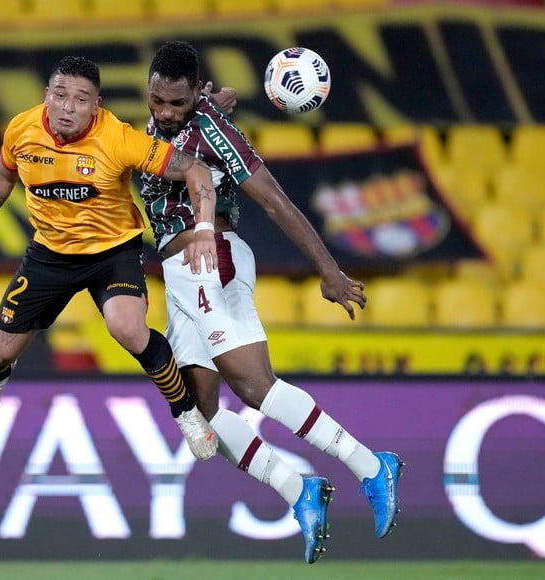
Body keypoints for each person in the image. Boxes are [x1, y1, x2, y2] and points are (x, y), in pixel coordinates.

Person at [140, 40, 403, 563]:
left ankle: (372, 466)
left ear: (194, 94)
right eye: (156, 101)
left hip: (209, 258)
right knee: (198, 409)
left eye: (176, 103)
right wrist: (213, 100)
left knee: (255, 386)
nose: (164, 113)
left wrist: (327, 269)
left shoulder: (217, 134)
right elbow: (201, 111)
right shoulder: (186, 115)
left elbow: (276, 202)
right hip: (177, 275)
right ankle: (297, 490)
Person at [0, 55, 222, 461]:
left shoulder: (118, 139)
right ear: (46, 96)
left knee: (127, 328)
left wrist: (205, 229)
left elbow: (195, 171)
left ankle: (187, 413)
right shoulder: (22, 129)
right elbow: (3, 174)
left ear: (97, 104)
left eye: (81, 99)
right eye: (60, 95)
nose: (69, 107)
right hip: (50, 253)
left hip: (112, 252)